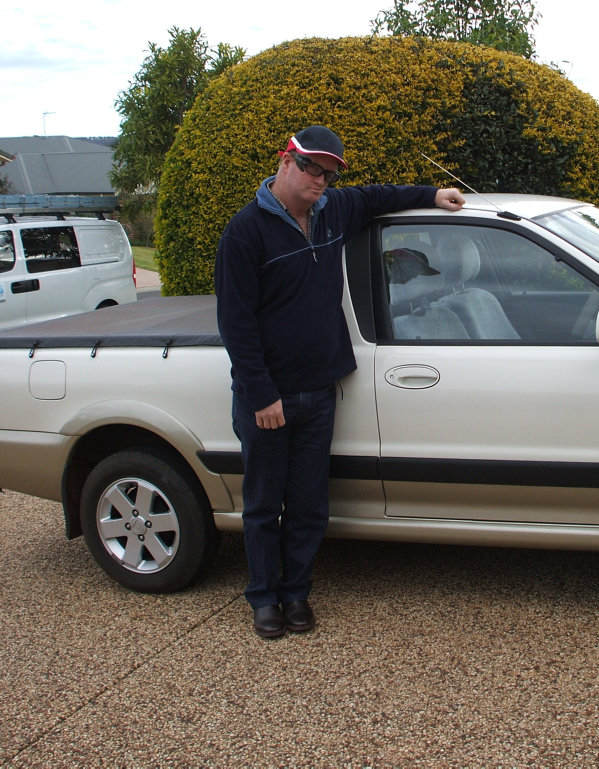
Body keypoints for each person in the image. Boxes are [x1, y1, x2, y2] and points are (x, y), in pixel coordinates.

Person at [215, 126, 465, 638]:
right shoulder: (245, 233)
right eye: (312, 168)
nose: (320, 181)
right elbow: (236, 324)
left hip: (319, 391)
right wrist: (262, 394)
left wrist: (433, 194)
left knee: (309, 504)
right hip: (270, 399)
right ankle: (263, 599)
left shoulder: (331, 212)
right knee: (263, 504)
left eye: (328, 174)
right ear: (286, 161)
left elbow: (377, 197)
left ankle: (296, 594)